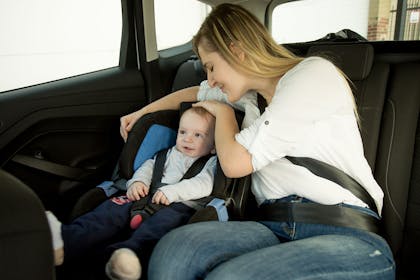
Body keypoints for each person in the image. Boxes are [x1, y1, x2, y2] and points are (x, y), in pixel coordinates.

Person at [120, 3, 395, 280]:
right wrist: (142, 113)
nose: (211, 80)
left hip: (345, 230)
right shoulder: (250, 97)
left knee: (230, 277)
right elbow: (195, 93)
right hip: (271, 226)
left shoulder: (312, 75)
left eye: (212, 67)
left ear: (236, 50)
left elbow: (236, 163)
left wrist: (225, 114)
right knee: (175, 253)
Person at [46, 106, 217, 280]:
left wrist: (173, 192)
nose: (187, 138)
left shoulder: (210, 163)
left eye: (198, 135)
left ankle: (128, 257)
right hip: (143, 197)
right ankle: (65, 240)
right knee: (107, 213)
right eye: (183, 132)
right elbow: (148, 168)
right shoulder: (167, 155)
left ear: (214, 146)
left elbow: (204, 184)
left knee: (158, 229)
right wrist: (138, 182)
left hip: (178, 207)